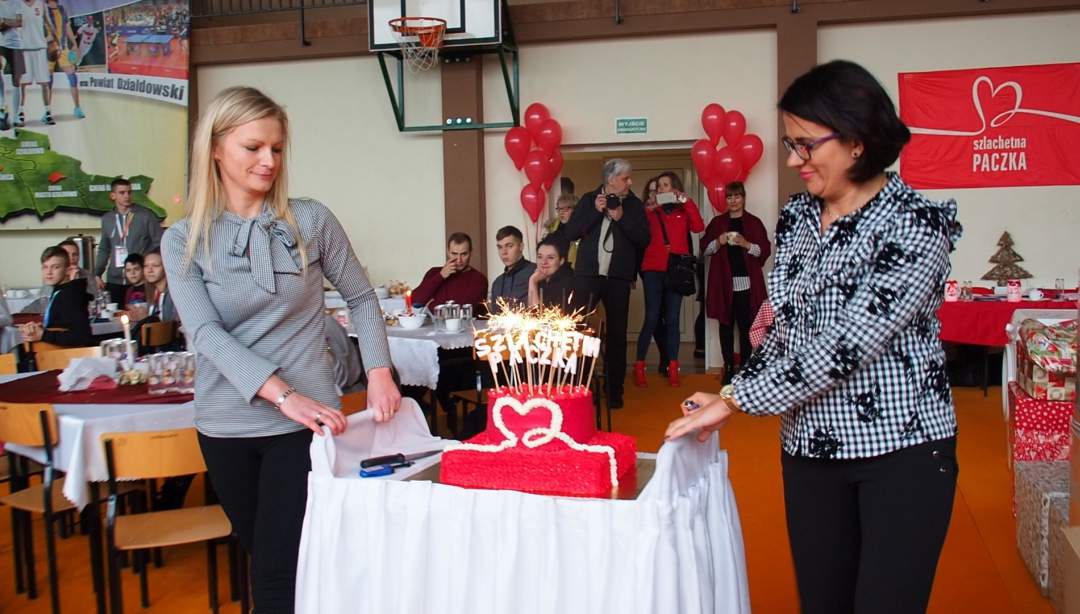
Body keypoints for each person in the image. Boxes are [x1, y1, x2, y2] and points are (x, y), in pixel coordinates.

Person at [666, 60, 962, 614]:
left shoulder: (917, 224)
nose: (793, 159)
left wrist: (734, 399)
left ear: (855, 141)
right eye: (789, 142)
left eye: (805, 145)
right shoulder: (799, 217)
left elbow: (848, 343)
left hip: (900, 453)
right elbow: (783, 324)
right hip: (808, 449)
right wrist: (730, 387)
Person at [161, 86, 402, 612]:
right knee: (270, 559)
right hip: (226, 425)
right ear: (216, 149)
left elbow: (361, 296)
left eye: (277, 148)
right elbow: (205, 333)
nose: (269, 161)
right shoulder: (183, 240)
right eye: (254, 147)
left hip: (307, 425)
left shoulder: (310, 220)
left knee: (278, 571)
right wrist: (279, 392)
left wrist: (379, 370)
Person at [561, 158, 650, 409]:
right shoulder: (590, 200)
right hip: (587, 277)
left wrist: (621, 217)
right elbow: (570, 234)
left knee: (617, 335)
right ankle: (578, 387)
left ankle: (614, 391)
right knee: (578, 330)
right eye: (625, 178)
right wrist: (594, 211)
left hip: (618, 278)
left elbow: (644, 239)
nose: (630, 182)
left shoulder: (633, 204)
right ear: (610, 180)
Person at [635, 171, 704, 388]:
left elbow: (699, 227)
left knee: (673, 320)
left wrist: (686, 200)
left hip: (676, 270)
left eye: (666, 185)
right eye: (659, 186)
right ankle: (639, 366)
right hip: (653, 269)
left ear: (675, 188)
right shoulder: (649, 212)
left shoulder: (683, 211)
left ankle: (673, 368)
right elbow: (638, 227)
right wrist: (652, 207)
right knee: (652, 317)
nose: (662, 189)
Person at [700, 181, 771, 384]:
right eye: (729, 197)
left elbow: (764, 251)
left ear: (743, 198)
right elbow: (704, 249)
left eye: (737, 196)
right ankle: (729, 367)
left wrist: (746, 244)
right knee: (725, 325)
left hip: (747, 284)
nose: (733, 200)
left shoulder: (754, 223)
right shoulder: (717, 223)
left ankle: (746, 368)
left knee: (746, 325)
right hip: (723, 284)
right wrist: (718, 241)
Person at [95, 177, 164, 305]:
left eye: (129, 192)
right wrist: (97, 273)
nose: (127, 196)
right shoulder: (107, 219)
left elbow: (159, 242)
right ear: (113, 195)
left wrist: (144, 260)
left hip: (140, 279)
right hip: (115, 280)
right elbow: (104, 248)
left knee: (139, 316)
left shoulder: (145, 215)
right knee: (115, 317)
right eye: (122, 193)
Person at [18, 245, 92, 347]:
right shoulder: (60, 291)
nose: (49, 272)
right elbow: (61, 325)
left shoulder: (71, 295)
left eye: (55, 267)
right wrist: (42, 329)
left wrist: (43, 334)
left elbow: (82, 337)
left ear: (67, 270)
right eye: (45, 267)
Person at [412, 232, 488, 312]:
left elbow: (465, 310)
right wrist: (440, 276)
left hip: (467, 324)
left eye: (464, 254)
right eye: (454, 254)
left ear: (470, 253)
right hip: (437, 324)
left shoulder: (479, 279)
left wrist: (432, 304)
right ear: (448, 252)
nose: (459, 260)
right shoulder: (434, 272)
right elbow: (415, 301)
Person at [44, 0, 83, 118]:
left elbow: (67, 26)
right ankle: (47, 112)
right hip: (48, 50)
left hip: (63, 48)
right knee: (48, 82)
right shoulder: (42, 10)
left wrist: (74, 43)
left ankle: (77, 108)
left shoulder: (61, 9)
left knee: (72, 78)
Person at [16, 0, 52, 126]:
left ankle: (48, 113)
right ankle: (20, 113)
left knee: (44, 83)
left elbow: (49, 24)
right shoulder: (17, 4)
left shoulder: (41, 4)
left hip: (40, 49)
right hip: (24, 49)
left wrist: (51, 38)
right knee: (23, 84)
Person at [489, 225, 535, 312]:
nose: (504, 252)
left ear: (521, 247)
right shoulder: (497, 283)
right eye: (500, 247)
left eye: (509, 246)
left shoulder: (535, 273)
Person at [527, 236, 574, 310]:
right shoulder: (540, 278)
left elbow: (536, 315)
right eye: (540, 257)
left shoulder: (568, 283)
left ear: (561, 260)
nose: (543, 262)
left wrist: (532, 281)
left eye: (550, 257)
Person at [0, 0, 23, 131]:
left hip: (15, 45)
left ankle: (16, 115)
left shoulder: (16, 2)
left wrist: (4, 21)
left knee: (16, 82)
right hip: (0, 44)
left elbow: (19, 22)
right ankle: (2, 108)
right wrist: (7, 22)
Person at [544, 192, 579, 266]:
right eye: (559, 209)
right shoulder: (554, 224)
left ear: (576, 209)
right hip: (555, 266)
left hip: (573, 267)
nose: (561, 212)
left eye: (565, 209)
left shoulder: (581, 227)